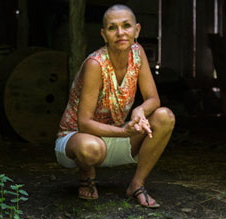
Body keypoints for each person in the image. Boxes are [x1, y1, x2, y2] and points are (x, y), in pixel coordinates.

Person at [55, 4, 175, 208]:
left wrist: (139, 110)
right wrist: (126, 132)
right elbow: (83, 124)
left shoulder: (137, 53)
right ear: (104, 34)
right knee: (91, 147)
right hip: (77, 140)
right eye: (112, 28)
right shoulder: (96, 64)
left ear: (136, 30)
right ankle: (87, 174)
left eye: (126, 26)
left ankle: (137, 185)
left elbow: (153, 99)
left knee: (165, 117)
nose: (120, 33)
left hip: (115, 134)